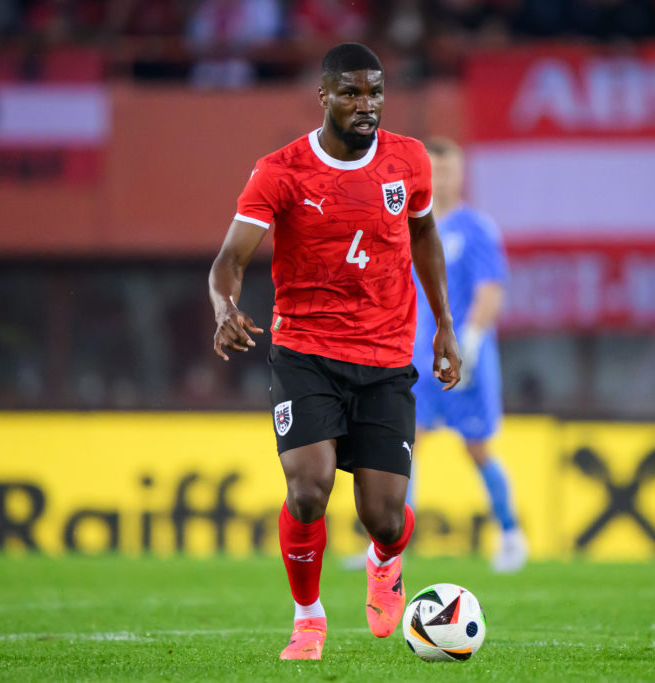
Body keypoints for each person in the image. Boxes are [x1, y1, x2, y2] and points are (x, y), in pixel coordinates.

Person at [208, 42, 461, 661]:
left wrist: (445, 324)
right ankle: (308, 618)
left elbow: (424, 232)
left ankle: (384, 562)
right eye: (350, 93)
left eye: (374, 92)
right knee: (308, 490)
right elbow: (229, 260)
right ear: (323, 96)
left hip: (384, 355)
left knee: (386, 517)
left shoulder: (410, 160)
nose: (365, 105)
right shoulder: (281, 171)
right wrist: (224, 307)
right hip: (305, 350)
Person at [411, 137, 527, 573]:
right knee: (403, 448)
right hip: (415, 361)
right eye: (434, 170)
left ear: (461, 175)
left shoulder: (476, 228)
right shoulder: (408, 226)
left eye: (449, 170)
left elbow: (490, 291)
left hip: (464, 360)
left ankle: (512, 534)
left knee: (477, 448)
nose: (441, 178)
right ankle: (390, 547)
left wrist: (473, 339)